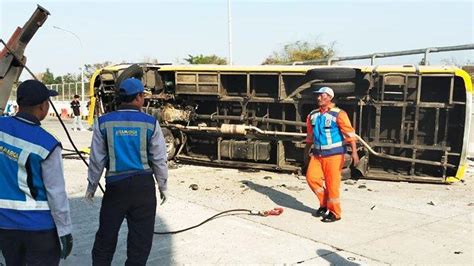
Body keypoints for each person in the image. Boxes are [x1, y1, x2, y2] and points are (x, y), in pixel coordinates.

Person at [86, 77, 168, 265]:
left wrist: (91, 186)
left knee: (106, 237)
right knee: (140, 242)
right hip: (143, 188)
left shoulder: (103, 122)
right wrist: (163, 186)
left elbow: (96, 159)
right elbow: (159, 160)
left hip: (116, 188)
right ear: (139, 97)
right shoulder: (150, 123)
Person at [0, 79, 73, 265]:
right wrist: (64, 231)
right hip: (39, 228)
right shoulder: (48, 144)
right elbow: (56, 193)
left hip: (5, 226)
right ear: (43, 106)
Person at [304, 86, 359, 223]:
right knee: (312, 179)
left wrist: (355, 153)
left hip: (334, 156)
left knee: (332, 184)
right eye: (317, 96)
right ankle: (324, 204)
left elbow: (350, 134)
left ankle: (335, 213)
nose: (318, 98)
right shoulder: (313, 115)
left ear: (329, 97)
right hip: (317, 155)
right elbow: (310, 136)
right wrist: (306, 151)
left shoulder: (339, 114)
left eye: (321, 95)